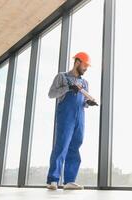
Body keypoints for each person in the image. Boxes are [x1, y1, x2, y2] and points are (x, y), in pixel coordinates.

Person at [46, 52, 98, 190]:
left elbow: (83, 102)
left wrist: (89, 102)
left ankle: (69, 181)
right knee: (62, 145)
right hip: (66, 116)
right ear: (77, 62)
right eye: (85, 65)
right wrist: (69, 88)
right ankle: (53, 180)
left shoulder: (85, 83)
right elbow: (51, 94)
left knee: (75, 146)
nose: (86, 68)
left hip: (80, 117)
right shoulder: (62, 77)